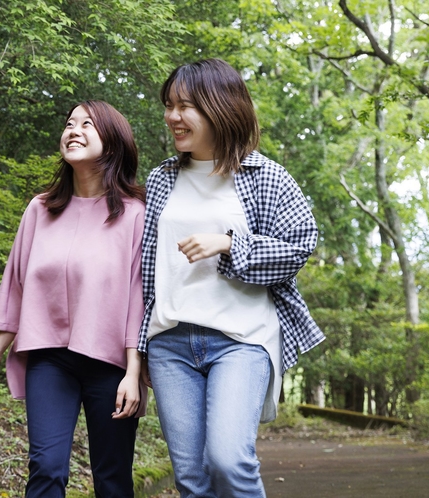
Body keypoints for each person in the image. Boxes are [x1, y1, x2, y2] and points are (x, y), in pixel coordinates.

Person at [137, 58, 325, 497]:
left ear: (220, 107)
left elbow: (300, 246)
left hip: (242, 340)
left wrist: (229, 244)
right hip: (169, 343)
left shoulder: (266, 176)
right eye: (168, 105)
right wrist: (139, 346)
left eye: (185, 106)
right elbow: (145, 270)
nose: (172, 117)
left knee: (228, 460)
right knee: (191, 478)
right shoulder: (162, 179)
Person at [0, 100, 147, 498]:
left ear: (113, 142)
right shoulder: (40, 209)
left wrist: (134, 372)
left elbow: (139, 297)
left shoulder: (135, 214)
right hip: (49, 359)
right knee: (46, 468)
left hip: (111, 364)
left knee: (112, 476)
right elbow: (16, 283)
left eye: (87, 124)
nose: (74, 130)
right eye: (69, 123)